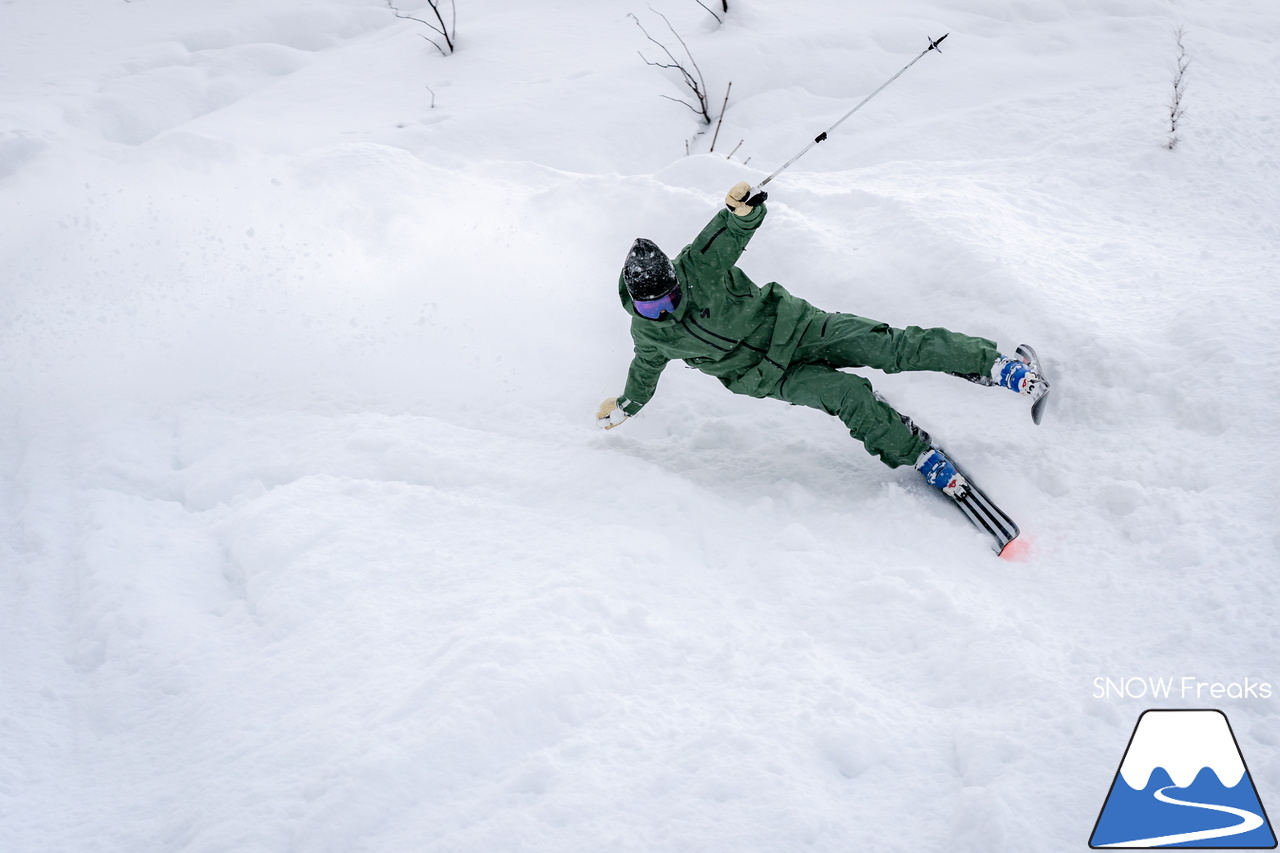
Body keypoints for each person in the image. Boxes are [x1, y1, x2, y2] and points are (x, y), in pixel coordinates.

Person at [596, 182, 1046, 497]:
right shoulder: (649, 333)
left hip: (799, 327)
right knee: (847, 395)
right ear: (637, 303)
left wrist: (743, 209)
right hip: (767, 377)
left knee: (889, 346)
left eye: (669, 298)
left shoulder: (699, 265)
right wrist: (624, 408)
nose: (666, 310)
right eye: (653, 307)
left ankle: (996, 367)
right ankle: (918, 454)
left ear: (676, 278)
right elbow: (643, 375)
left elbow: (732, 228)